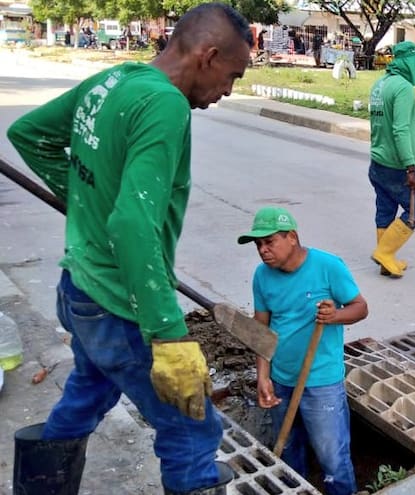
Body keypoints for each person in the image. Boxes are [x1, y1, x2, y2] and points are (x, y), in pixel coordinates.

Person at [6, 3, 253, 494]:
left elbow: (29, 135)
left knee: (88, 391)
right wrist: (169, 337)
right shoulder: (165, 105)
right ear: (208, 56)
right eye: (232, 75)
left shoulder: (115, 79)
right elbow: (133, 224)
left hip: (79, 288)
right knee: (192, 428)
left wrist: (87, 201)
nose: (228, 91)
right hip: (118, 305)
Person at [238, 206, 367, 495]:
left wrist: (335, 315)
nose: (262, 250)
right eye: (258, 244)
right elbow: (261, 331)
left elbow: (360, 307)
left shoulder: (328, 266)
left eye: (269, 242)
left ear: (292, 237)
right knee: (288, 450)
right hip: (281, 379)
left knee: (331, 457)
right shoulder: (262, 276)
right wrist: (263, 376)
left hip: (322, 383)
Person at [368, 40, 415, 278]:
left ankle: (386, 260)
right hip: (397, 165)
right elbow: (400, 130)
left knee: (385, 210)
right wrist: (410, 166)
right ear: (408, 61)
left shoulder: (380, 84)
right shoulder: (403, 88)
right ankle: (384, 253)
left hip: (378, 161)